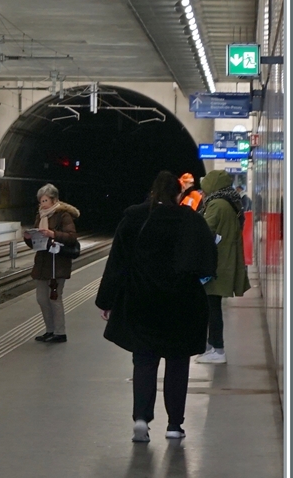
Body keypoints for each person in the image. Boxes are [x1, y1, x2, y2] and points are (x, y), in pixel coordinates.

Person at [95, 171, 217, 442]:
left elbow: (117, 263)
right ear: (178, 194)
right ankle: (174, 425)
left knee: (144, 360)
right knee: (177, 362)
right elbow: (208, 261)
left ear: (152, 192)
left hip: (142, 301)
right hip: (181, 303)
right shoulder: (192, 220)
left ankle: (141, 419)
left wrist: (107, 301)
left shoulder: (133, 218)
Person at [198, 169, 250, 364]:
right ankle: (212, 346)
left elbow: (205, 230)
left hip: (217, 264)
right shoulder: (230, 202)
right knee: (213, 306)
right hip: (223, 261)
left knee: (212, 307)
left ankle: (217, 349)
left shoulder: (217, 205)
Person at [23, 183, 79, 343]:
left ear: (54, 200)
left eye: (45, 200)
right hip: (42, 263)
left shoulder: (63, 215)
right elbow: (36, 242)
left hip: (57, 264)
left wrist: (53, 233)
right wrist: (29, 238)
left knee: (54, 298)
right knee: (42, 298)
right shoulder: (40, 216)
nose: (42, 204)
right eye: (40, 201)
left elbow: (71, 236)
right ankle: (49, 330)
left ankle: (60, 332)